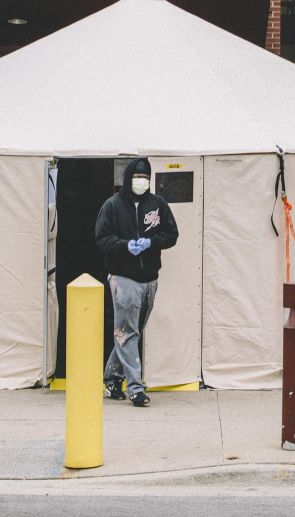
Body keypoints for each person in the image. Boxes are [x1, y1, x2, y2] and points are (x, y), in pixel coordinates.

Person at [94, 157, 178, 407]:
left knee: (131, 331)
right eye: (137, 176)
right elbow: (101, 238)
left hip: (150, 277)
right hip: (124, 277)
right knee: (128, 332)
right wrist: (124, 246)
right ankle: (135, 388)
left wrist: (151, 242)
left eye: (145, 177)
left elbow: (171, 234)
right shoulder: (112, 206)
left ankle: (111, 379)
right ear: (128, 178)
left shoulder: (158, 204)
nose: (141, 181)